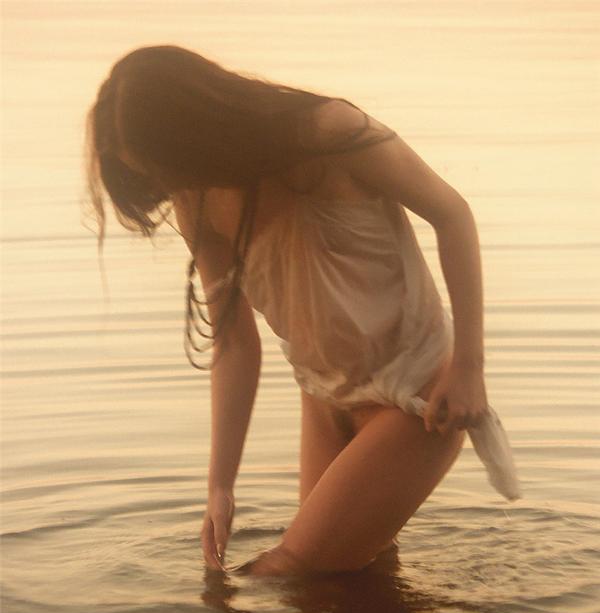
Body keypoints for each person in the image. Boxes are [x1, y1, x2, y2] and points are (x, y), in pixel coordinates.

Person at [85, 45, 520, 577]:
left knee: (288, 575)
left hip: (417, 395)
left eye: (163, 165)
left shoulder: (329, 132)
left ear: (191, 129)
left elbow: (452, 214)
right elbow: (233, 343)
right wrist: (220, 486)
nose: (166, 183)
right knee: (349, 588)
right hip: (323, 398)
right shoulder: (194, 198)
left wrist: (468, 367)